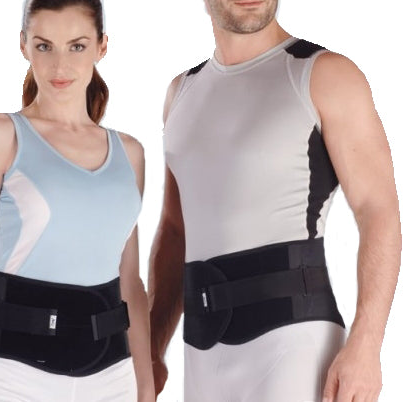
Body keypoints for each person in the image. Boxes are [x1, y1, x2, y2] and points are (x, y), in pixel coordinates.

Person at [148, 1, 401, 401]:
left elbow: (378, 209)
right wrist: (152, 345)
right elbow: (176, 228)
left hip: (295, 347)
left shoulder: (322, 74)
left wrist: (367, 344)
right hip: (201, 356)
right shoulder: (181, 92)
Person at [0, 1, 155, 401]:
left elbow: (129, 280)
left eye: (77, 46)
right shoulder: (0, 136)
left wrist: (145, 384)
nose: (60, 65)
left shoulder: (130, 154)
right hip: (15, 376)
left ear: (102, 46)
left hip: (113, 377)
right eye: (45, 46)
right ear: (23, 45)